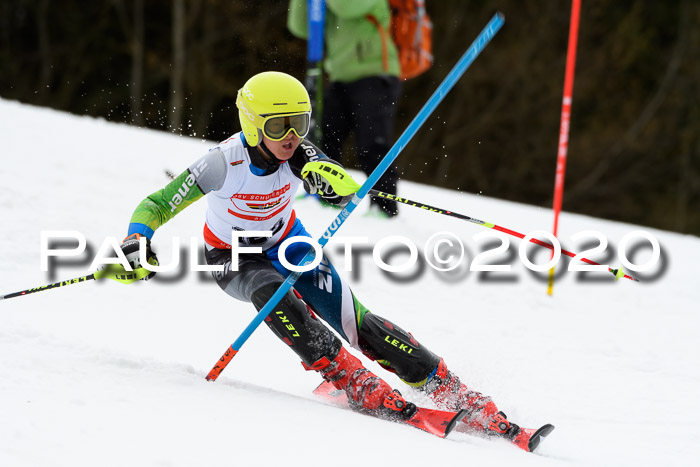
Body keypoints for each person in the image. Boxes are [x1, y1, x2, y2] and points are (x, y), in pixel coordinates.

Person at [118, 72, 543, 451]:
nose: (291, 135)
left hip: (290, 242)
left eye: (299, 124)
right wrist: (137, 239)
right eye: (278, 126)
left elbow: (326, 175)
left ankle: (451, 390)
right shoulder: (220, 164)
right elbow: (156, 203)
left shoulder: (298, 152)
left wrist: (334, 184)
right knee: (271, 291)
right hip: (234, 257)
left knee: (359, 323)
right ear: (252, 126)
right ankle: (349, 379)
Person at [287, 0, 401, 218]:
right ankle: (328, 194)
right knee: (324, 137)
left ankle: (385, 207)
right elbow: (301, 27)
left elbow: (345, 7)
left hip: (375, 75)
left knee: (371, 144)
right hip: (341, 78)